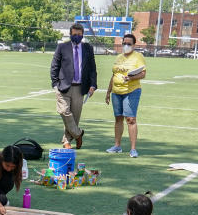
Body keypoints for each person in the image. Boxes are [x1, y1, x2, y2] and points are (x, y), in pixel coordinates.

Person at [50, 22, 97, 150]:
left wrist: (93, 85)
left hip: (80, 87)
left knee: (74, 117)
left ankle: (66, 142)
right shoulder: (62, 47)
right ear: (70, 34)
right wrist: (55, 84)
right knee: (64, 111)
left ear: (82, 35)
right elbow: (54, 65)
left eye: (79, 34)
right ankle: (78, 134)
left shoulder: (88, 48)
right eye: (74, 34)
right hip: (63, 86)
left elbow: (92, 68)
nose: (77, 36)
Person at [105, 34, 147, 158]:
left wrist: (131, 78)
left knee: (131, 119)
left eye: (129, 44)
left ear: (134, 45)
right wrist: (108, 92)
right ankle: (117, 146)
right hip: (116, 92)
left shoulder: (138, 57)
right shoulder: (118, 57)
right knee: (118, 118)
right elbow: (114, 75)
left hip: (131, 91)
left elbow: (143, 74)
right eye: (124, 43)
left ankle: (133, 149)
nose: (126, 45)